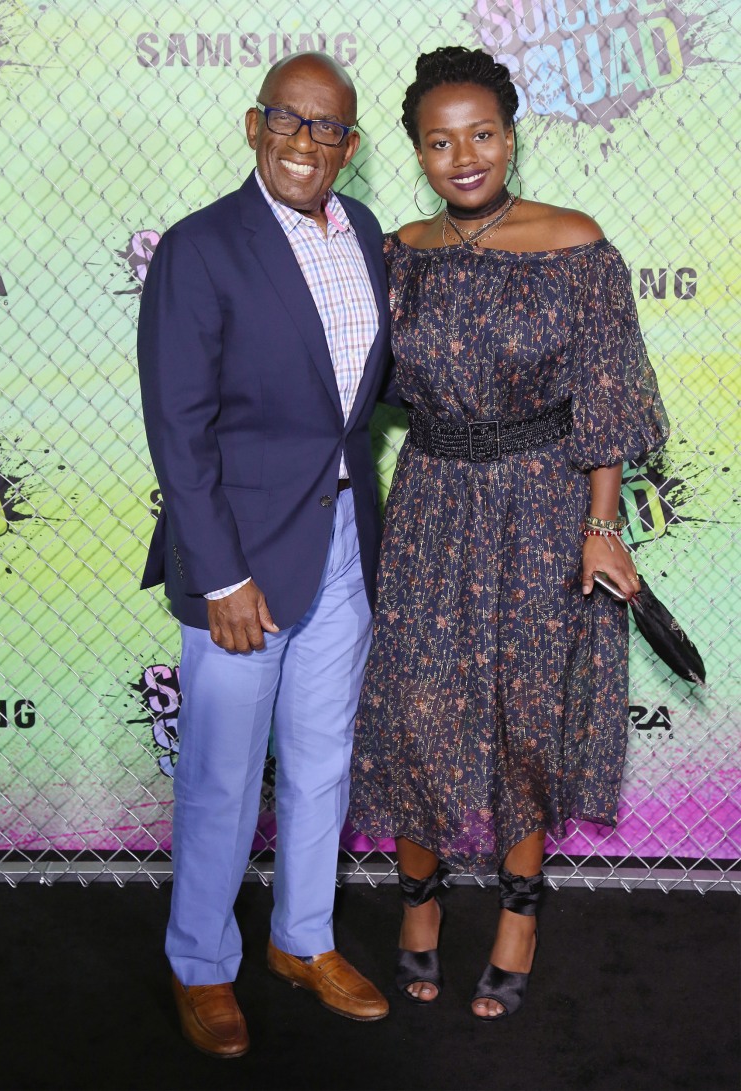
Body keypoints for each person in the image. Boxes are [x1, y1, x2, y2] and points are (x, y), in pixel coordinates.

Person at [350, 46, 669, 1021]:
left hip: (540, 501)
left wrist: (602, 525)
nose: (463, 156)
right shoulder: (400, 251)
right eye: (439, 141)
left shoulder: (574, 243)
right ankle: (418, 908)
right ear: (415, 150)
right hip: (432, 495)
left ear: (511, 133)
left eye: (480, 133)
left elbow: (607, 397)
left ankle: (519, 916)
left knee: (523, 717)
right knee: (414, 713)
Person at [137, 52, 392, 1058]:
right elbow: (178, 426)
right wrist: (220, 574)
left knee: (324, 761)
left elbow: (357, 401)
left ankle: (302, 939)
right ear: (254, 126)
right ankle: (201, 960)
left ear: (349, 146)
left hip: (341, 542)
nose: (303, 140)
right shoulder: (202, 248)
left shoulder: (366, 233)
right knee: (220, 775)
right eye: (287, 119)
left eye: (326, 127)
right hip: (242, 559)